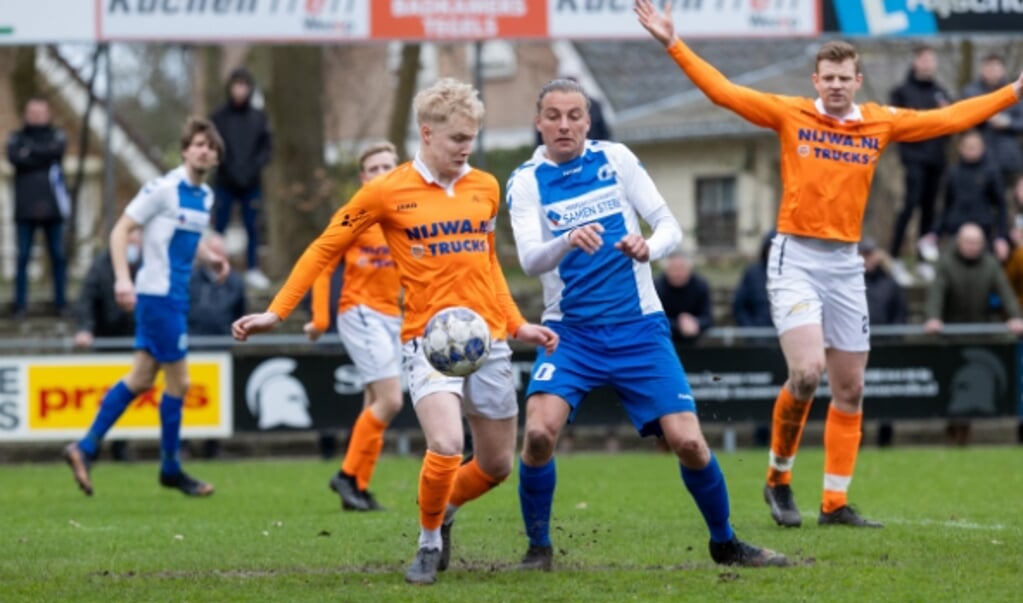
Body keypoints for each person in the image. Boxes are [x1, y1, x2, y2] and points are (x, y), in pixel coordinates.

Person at [636, 0, 1023, 529]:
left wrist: (1012, 93)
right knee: (806, 372)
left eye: (845, 77)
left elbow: (947, 119)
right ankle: (778, 478)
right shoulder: (791, 113)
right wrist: (673, 43)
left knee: (851, 388)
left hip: (845, 265)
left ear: (858, 80)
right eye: (828, 77)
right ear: (815, 80)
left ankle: (835, 503)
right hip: (795, 257)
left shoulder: (880, 123)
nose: (836, 85)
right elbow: (723, 92)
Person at [231, 78, 558, 586]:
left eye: (471, 137)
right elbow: (323, 247)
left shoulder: (485, 187)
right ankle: (428, 543)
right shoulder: (386, 192)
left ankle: (443, 509)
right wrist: (278, 311)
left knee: (495, 466)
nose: (465, 148)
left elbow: (489, 264)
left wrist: (516, 324)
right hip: (427, 340)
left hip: (488, 338)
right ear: (426, 134)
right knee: (447, 445)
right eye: (455, 139)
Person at [506, 77, 788, 571]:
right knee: (538, 435)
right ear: (539, 122)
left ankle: (725, 542)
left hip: (639, 328)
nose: (565, 124)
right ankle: (539, 548)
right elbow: (530, 260)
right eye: (554, 115)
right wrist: (569, 239)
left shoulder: (616, 159)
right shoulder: (526, 181)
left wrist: (649, 247)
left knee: (689, 442)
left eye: (575, 115)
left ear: (588, 121)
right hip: (570, 333)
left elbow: (670, 227)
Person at [62, 117, 229, 498]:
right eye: (199, 144)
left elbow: (189, 237)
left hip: (175, 297)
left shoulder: (204, 197)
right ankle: (170, 466)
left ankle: (85, 447)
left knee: (139, 379)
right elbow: (120, 230)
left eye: (212, 147)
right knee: (181, 381)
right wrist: (123, 279)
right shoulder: (163, 189)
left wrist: (211, 258)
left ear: (216, 158)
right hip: (158, 297)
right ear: (186, 149)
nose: (204, 151)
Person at [303, 141, 403, 512]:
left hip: (392, 316)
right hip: (359, 312)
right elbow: (323, 263)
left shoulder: (405, 215)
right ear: (363, 177)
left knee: (374, 403)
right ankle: (346, 476)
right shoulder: (353, 214)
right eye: (373, 168)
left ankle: (359, 487)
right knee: (391, 400)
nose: (380, 173)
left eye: (387, 167)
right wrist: (319, 320)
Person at [887, 44, 952, 286]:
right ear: (916, 62)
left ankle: (923, 261)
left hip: (936, 159)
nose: (927, 64)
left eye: (930, 60)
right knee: (910, 205)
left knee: (929, 209)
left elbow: (950, 124)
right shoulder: (901, 92)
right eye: (923, 60)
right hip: (913, 158)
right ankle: (895, 257)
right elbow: (895, 125)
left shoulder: (941, 92)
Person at [5, 96, 70, 318]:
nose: (36, 117)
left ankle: (61, 304)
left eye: (41, 112)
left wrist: (30, 153)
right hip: (24, 209)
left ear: (48, 114)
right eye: (32, 112)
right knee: (22, 257)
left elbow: (56, 152)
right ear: (26, 114)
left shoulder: (57, 136)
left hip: (54, 208)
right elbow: (15, 157)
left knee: (58, 257)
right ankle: (20, 305)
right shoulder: (16, 137)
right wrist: (44, 155)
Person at [210, 67, 273, 290]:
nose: (240, 90)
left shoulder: (259, 117)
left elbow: (267, 148)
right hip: (225, 182)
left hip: (251, 184)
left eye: (244, 85)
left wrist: (252, 169)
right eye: (236, 85)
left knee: (252, 227)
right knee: (220, 226)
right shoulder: (218, 117)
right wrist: (228, 169)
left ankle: (253, 269)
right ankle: (215, 266)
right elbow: (214, 147)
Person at [918, 131, 1009, 272]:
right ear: (961, 148)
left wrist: (1001, 236)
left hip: (982, 232)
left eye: (974, 146)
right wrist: (934, 232)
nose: (971, 150)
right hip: (955, 231)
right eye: (967, 146)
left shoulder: (991, 171)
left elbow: (1001, 206)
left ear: (982, 148)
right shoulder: (953, 172)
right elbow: (947, 206)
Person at [923, 223, 1023, 335]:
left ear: (982, 243)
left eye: (976, 243)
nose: (972, 247)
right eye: (968, 242)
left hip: (983, 329)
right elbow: (936, 293)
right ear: (959, 241)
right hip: (951, 329)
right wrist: (933, 317)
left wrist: (1016, 317)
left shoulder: (991, 264)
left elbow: (1006, 292)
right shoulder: (946, 263)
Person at [961, 53, 1023, 195]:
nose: (992, 70)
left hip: (1009, 159)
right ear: (981, 69)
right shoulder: (971, 91)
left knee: (1008, 202)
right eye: (988, 67)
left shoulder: (1017, 91)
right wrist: (984, 115)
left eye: (995, 67)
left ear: (1003, 69)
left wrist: (1007, 123)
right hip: (978, 161)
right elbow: (961, 119)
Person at [73, 229, 143, 349]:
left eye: (134, 242)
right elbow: (87, 299)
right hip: (106, 337)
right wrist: (85, 329)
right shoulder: (101, 264)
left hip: (139, 338)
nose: (131, 247)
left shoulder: (148, 265)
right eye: (128, 242)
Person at [187, 233, 247, 336]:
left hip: (223, 340)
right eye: (214, 252)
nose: (218, 257)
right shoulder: (191, 278)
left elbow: (240, 311)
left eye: (221, 252)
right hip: (194, 339)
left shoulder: (235, 281)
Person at [654, 249, 713, 342]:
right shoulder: (656, 287)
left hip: (695, 339)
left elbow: (708, 317)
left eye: (681, 269)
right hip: (664, 339)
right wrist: (679, 325)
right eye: (674, 269)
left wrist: (696, 323)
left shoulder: (700, 285)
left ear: (689, 269)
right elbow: (655, 318)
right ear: (666, 270)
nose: (678, 274)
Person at [859, 237, 908, 326]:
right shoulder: (853, 284)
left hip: (885, 338)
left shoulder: (890, 284)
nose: (867, 258)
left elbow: (900, 314)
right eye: (864, 254)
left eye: (870, 254)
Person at [732, 231, 774, 327]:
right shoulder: (752, 274)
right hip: (758, 334)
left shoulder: (792, 274)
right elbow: (739, 306)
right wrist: (749, 328)